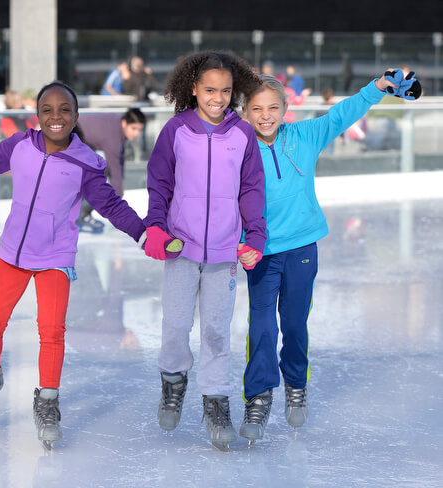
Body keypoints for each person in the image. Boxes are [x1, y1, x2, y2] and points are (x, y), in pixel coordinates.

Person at [0, 81, 147, 448]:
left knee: (52, 329)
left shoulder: (86, 163)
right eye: (47, 109)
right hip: (12, 253)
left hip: (55, 257)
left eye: (64, 110)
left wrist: (141, 233)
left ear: (76, 117)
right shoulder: (21, 146)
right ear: (38, 114)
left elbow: (111, 205)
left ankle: (47, 401)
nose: (55, 116)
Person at [238, 68, 420, 446]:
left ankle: (295, 384)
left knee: (293, 323)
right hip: (261, 252)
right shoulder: (237, 148)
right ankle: (258, 396)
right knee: (261, 326)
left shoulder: (304, 135)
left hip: (303, 247)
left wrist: (377, 88)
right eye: (256, 109)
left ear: (286, 108)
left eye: (273, 107)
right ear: (244, 111)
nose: (266, 115)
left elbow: (342, 115)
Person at [142, 51, 267, 450]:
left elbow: (251, 189)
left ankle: (215, 401)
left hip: (225, 252)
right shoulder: (176, 130)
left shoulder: (242, 133)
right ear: (193, 88)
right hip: (181, 247)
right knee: (176, 326)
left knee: (216, 331)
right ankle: (174, 380)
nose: (218, 98)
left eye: (226, 91)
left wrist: (255, 236)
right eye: (210, 89)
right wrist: (157, 228)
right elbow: (159, 183)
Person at [75, 107, 146, 232]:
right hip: (71, 137)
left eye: (139, 130)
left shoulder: (117, 126)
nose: (136, 133)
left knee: (95, 175)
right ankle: (79, 216)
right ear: (125, 123)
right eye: (134, 128)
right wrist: (118, 200)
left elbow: (120, 161)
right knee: (94, 176)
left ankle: (81, 214)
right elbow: (115, 170)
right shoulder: (114, 138)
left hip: (80, 141)